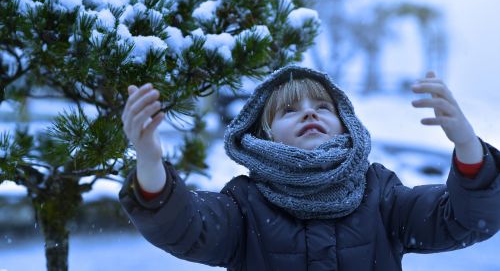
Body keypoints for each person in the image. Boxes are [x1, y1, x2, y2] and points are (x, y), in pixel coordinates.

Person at [119, 65, 500, 271]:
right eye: (289, 110)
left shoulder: (380, 194)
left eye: (322, 107)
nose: (309, 113)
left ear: (345, 124)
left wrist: (467, 144)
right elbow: (185, 228)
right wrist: (150, 161)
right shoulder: (243, 204)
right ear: (265, 135)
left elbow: (463, 221)